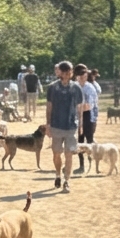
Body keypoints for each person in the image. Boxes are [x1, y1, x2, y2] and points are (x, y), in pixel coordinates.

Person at [45, 59, 84, 193]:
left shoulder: (76, 88)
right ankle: (57, 174)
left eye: (70, 71)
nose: (68, 73)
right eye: (66, 71)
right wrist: (48, 125)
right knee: (57, 153)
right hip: (56, 125)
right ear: (60, 72)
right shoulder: (53, 88)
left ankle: (67, 180)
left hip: (71, 126)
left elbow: (79, 108)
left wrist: (81, 125)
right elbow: (49, 107)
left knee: (69, 154)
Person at [77, 63, 98, 173]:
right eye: (81, 75)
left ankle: (92, 165)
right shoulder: (74, 86)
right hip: (78, 115)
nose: (83, 77)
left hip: (88, 116)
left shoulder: (90, 88)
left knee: (89, 141)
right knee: (79, 141)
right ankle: (81, 166)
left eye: (85, 75)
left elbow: (88, 106)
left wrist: (76, 107)